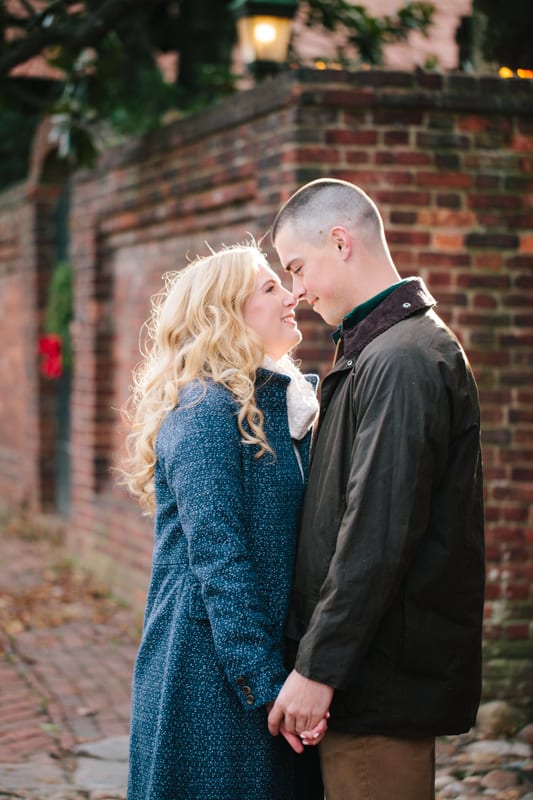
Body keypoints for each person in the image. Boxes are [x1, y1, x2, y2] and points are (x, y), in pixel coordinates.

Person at [267, 178, 486, 800]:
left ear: (340, 242)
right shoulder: (375, 350)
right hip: (363, 674)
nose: (297, 290)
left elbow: (377, 532)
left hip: (377, 682)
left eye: (298, 267)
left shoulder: (405, 358)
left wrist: (318, 669)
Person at [119, 243, 326, 800]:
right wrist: (268, 689)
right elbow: (220, 561)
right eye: (269, 288)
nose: (292, 295)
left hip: (261, 658)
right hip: (208, 672)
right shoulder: (205, 409)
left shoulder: (279, 405)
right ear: (225, 314)